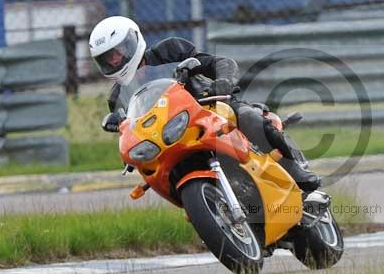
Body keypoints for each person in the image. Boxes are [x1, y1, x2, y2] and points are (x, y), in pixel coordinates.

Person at [88, 15, 321, 191]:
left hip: (207, 110)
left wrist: (223, 82)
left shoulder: (170, 50)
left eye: (117, 52)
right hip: (169, 139)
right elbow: (130, 131)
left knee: (247, 117)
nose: (114, 60)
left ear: (132, 42)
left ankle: (294, 170)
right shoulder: (117, 98)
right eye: (107, 58)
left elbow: (219, 62)